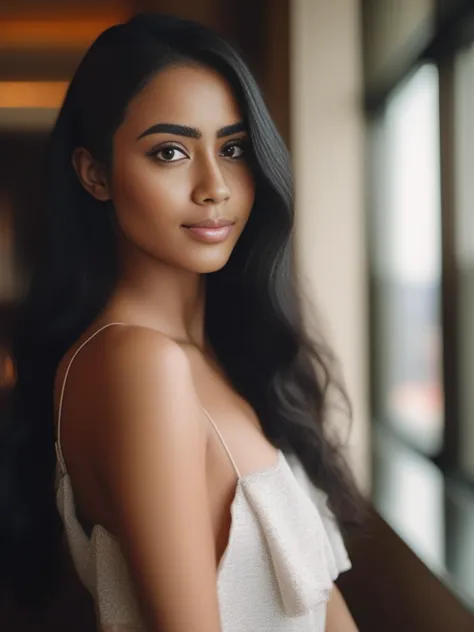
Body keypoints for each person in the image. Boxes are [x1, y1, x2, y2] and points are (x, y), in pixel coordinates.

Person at [0, 12, 365, 632]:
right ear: (96, 175)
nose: (214, 186)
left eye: (233, 148)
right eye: (170, 152)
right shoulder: (139, 364)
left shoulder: (215, 353)